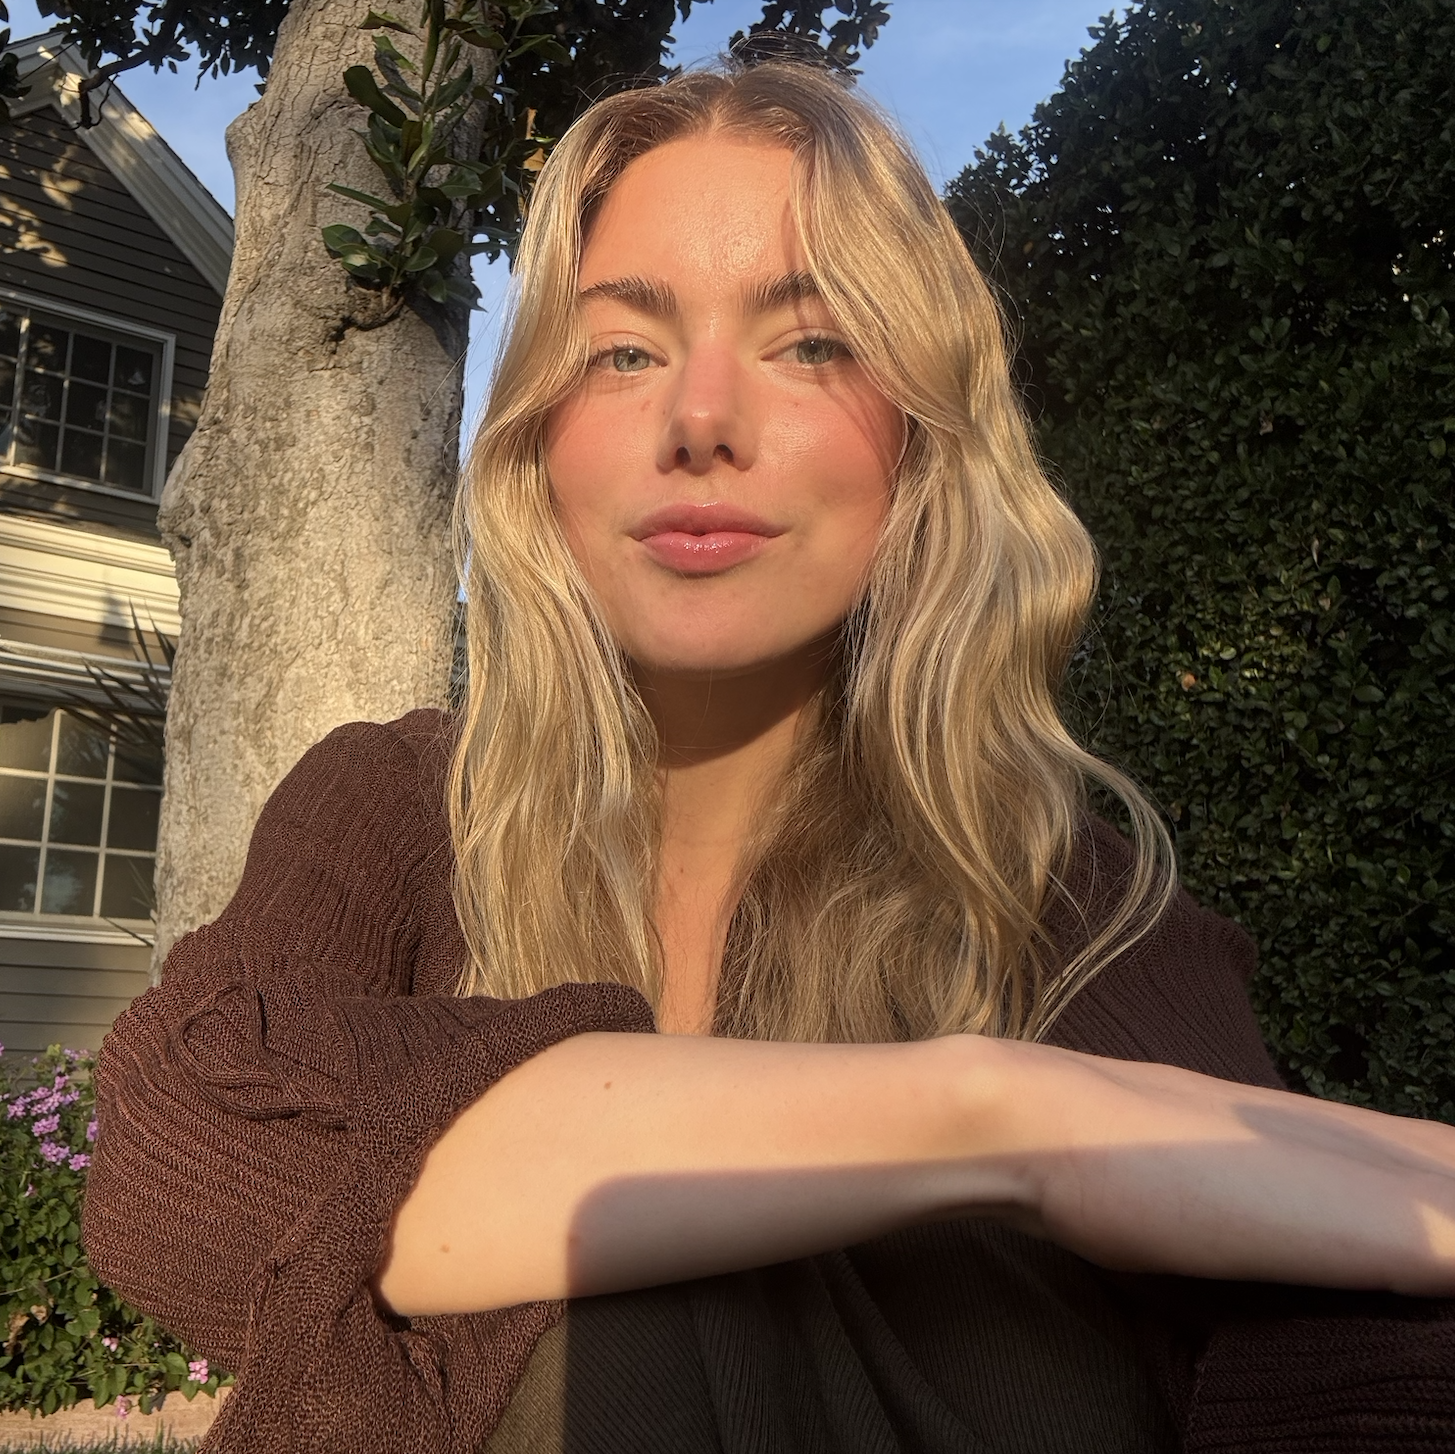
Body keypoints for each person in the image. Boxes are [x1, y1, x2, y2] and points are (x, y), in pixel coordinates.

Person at [84, 59, 1455, 1454]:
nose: (700, 420)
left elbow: (1323, 1338)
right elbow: (179, 1166)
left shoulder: (1068, 900)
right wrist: (998, 1118)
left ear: (921, 443)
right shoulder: (391, 803)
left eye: (810, 344)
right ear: (541, 442)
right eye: (623, 349)